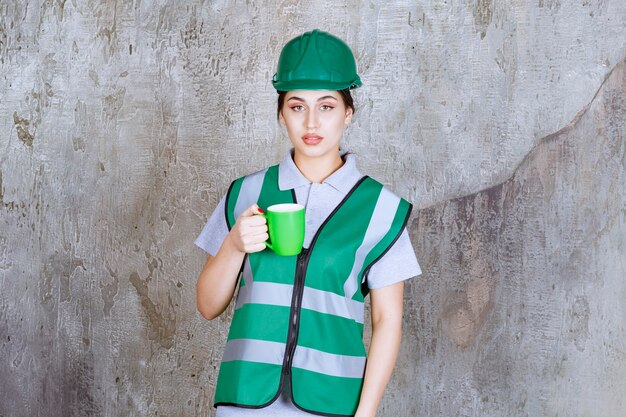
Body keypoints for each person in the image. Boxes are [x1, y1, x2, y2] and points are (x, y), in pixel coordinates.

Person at [195, 29, 421, 417]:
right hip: (244, 400)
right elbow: (207, 305)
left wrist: (363, 414)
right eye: (297, 106)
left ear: (348, 112)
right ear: (281, 113)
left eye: (327, 106)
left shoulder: (382, 210)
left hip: (332, 403)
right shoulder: (245, 194)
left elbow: (387, 322)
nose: (312, 122)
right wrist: (233, 245)